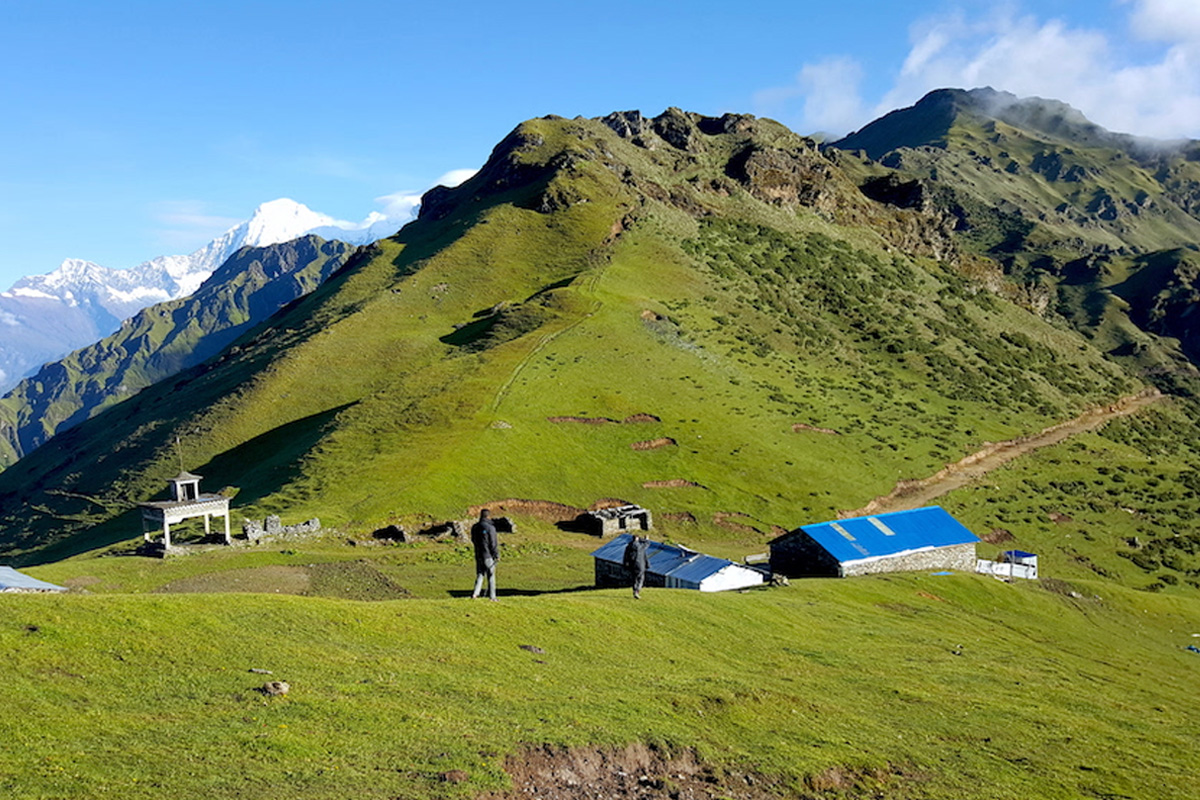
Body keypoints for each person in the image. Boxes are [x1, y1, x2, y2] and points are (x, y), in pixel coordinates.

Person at [470, 508, 499, 601]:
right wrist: (496, 554)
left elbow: (473, 539)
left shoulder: (475, 527)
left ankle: (475, 594)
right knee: (491, 575)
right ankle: (492, 597)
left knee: (480, 574)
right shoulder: (490, 528)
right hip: (488, 555)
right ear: (488, 516)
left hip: (478, 554)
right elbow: (493, 542)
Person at [623, 533, 648, 599]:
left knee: (634, 578)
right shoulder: (639, 547)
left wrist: (625, 564)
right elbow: (646, 544)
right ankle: (637, 591)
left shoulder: (628, 546)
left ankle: (634, 590)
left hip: (632, 565)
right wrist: (646, 539)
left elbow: (625, 556)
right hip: (640, 564)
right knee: (641, 578)